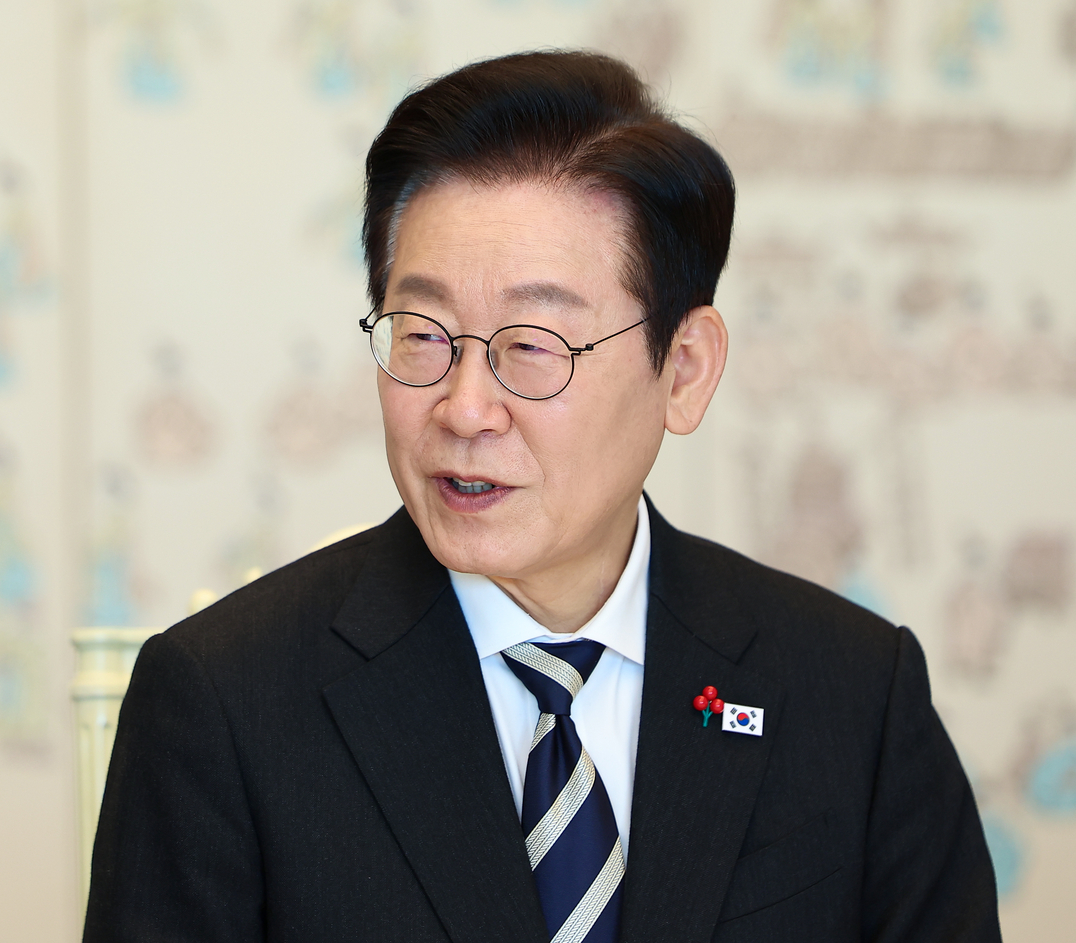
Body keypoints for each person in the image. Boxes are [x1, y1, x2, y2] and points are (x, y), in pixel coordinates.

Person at [83, 51, 1000, 943]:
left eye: (530, 345)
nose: (464, 407)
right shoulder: (223, 703)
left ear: (682, 370)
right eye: (423, 332)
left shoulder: (851, 696)